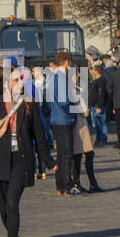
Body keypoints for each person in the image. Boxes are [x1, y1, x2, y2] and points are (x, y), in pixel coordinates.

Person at [0, 67, 54, 237]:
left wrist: (49, 161)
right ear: (6, 82)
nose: (20, 83)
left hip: (21, 160)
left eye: (23, 79)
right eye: (16, 79)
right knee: (3, 208)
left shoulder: (29, 105)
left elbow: (40, 137)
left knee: (12, 203)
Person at [47, 50, 81, 196]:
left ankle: (60, 185)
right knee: (67, 154)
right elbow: (64, 101)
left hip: (55, 118)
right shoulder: (61, 78)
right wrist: (75, 106)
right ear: (67, 62)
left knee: (61, 154)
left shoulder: (53, 77)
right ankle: (67, 185)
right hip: (64, 119)